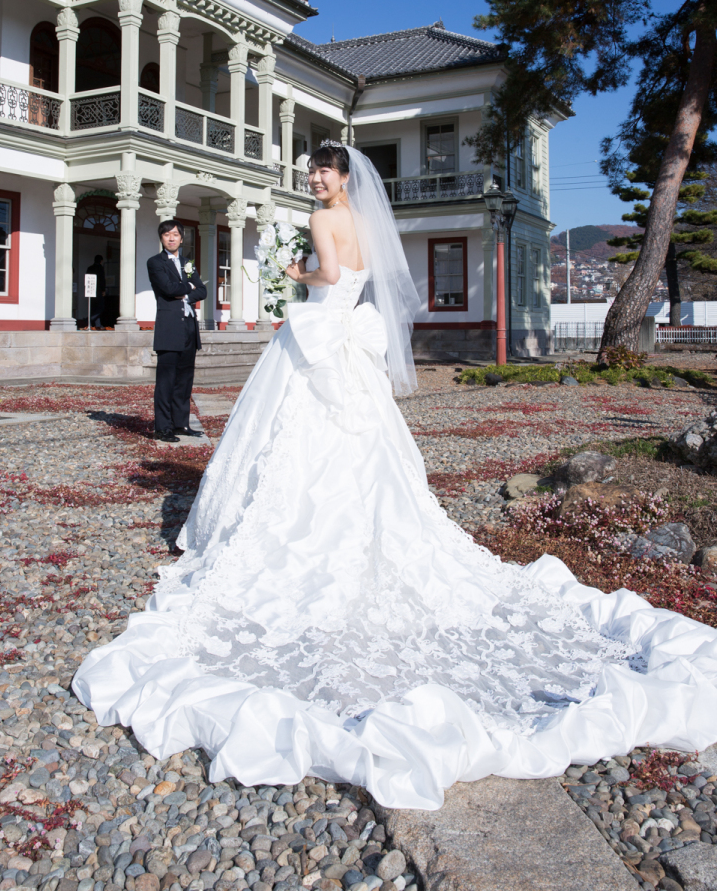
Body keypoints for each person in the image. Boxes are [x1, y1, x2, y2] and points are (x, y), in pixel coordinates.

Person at [74, 146, 717, 810]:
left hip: (323, 335)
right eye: (311, 174)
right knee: (362, 445)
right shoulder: (364, 221)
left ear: (342, 176)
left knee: (292, 438)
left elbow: (325, 273)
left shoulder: (324, 220)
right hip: (347, 342)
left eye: (321, 173)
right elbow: (357, 276)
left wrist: (293, 270)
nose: (314, 181)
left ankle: (293, 528)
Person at [147, 220, 207, 443]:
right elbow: (169, 288)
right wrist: (189, 287)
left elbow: (203, 290)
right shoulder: (155, 262)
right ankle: (162, 428)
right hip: (169, 328)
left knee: (184, 379)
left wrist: (189, 292)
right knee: (166, 381)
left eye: (175, 235)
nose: (171, 238)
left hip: (189, 328)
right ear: (161, 238)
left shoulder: (187, 263)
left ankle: (180, 423)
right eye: (166, 235)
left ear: (182, 238)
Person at [85, 254, 106, 329]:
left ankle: (97, 325)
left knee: (93, 308)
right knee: (100, 308)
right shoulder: (100, 268)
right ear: (101, 261)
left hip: (90, 291)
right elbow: (102, 280)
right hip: (98, 291)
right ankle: (89, 320)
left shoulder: (90, 268)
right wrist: (103, 290)